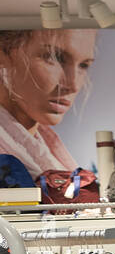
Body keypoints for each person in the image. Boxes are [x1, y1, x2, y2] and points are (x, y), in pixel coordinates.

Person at [0, 28, 96, 177]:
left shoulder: (53, 156)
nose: (73, 84)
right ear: (4, 54)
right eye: (55, 57)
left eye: (84, 65)